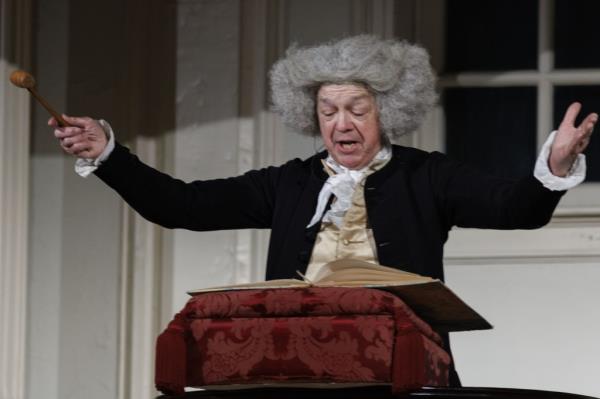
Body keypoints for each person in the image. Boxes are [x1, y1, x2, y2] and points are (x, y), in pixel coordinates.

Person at [49, 35, 596, 385]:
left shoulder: (427, 175)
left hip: (399, 369)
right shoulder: (289, 183)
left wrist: (552, 163)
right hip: (296, 371)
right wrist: (108, 155)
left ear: (386, 112)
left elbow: (516, 209)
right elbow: (181, 205)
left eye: (357, 108)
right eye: (328, 110)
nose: (341, 123)